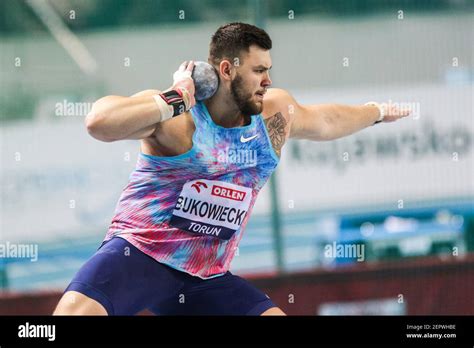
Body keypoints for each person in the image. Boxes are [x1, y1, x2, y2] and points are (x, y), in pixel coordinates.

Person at [54, 22, 410, 316]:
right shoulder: (180, 122)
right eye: (258, 71)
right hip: (141, 255)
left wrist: (376, 111)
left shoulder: (273, 116)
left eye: (268, 70)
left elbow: (327, 120)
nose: (267, 80)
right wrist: (177, 96)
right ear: (227, 70)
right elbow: (98, 122)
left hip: (206, 277)